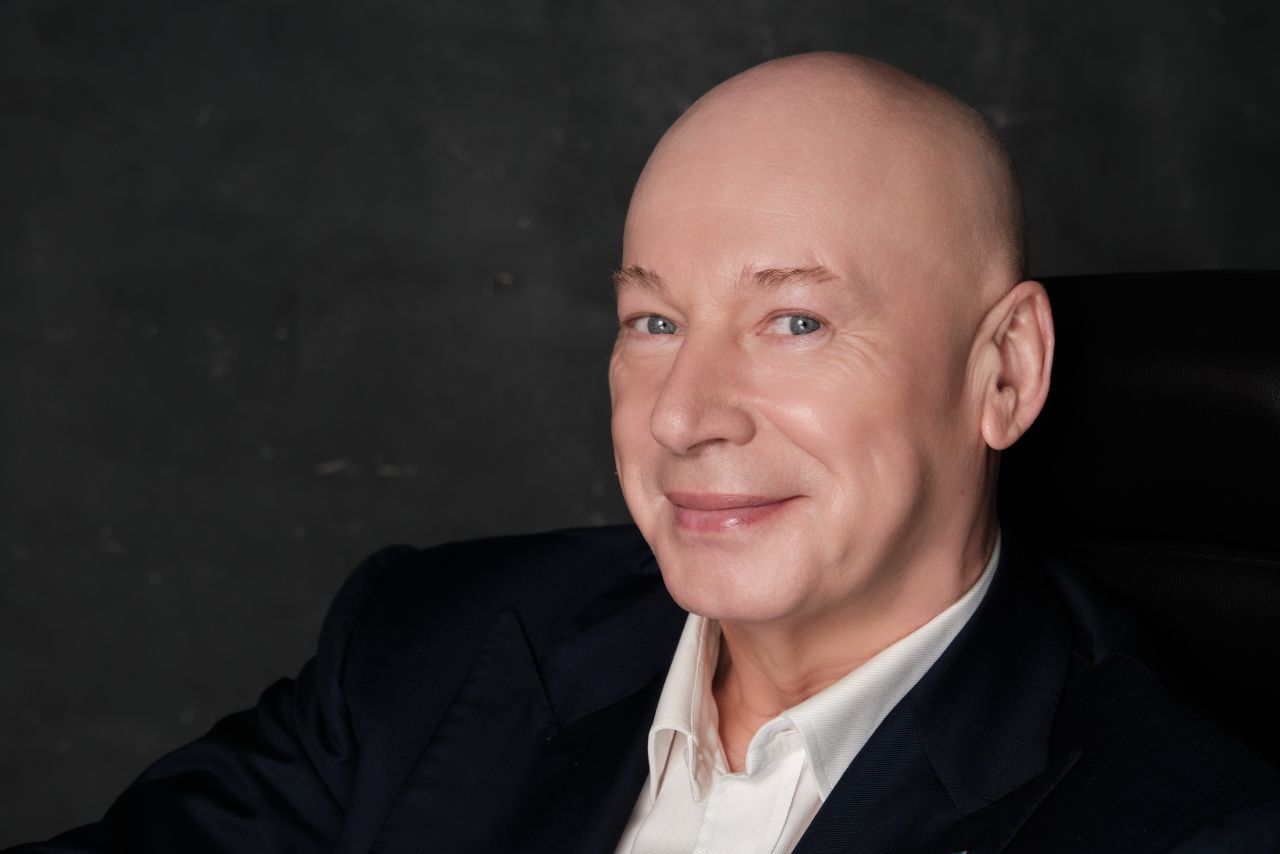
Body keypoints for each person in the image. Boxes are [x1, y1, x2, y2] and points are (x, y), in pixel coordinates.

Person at [9, 52, 1279, 854]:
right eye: (652, 322)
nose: (683, 414)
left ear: (1002, 370)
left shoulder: (1184, 825)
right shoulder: (423, 646)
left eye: (794, 321)